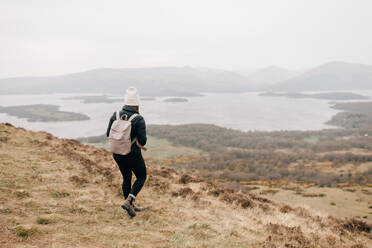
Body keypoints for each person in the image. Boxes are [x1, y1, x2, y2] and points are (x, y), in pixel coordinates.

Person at [106, 87, 147, 217]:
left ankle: (130, 206)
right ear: (137, 103)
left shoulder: (115, 114)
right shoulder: (138, 118)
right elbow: (143, 141)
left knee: (127, 177)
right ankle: (129, 201)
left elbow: (108, 134)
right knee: (141, 176)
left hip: (117, 152)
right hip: (132, 154)